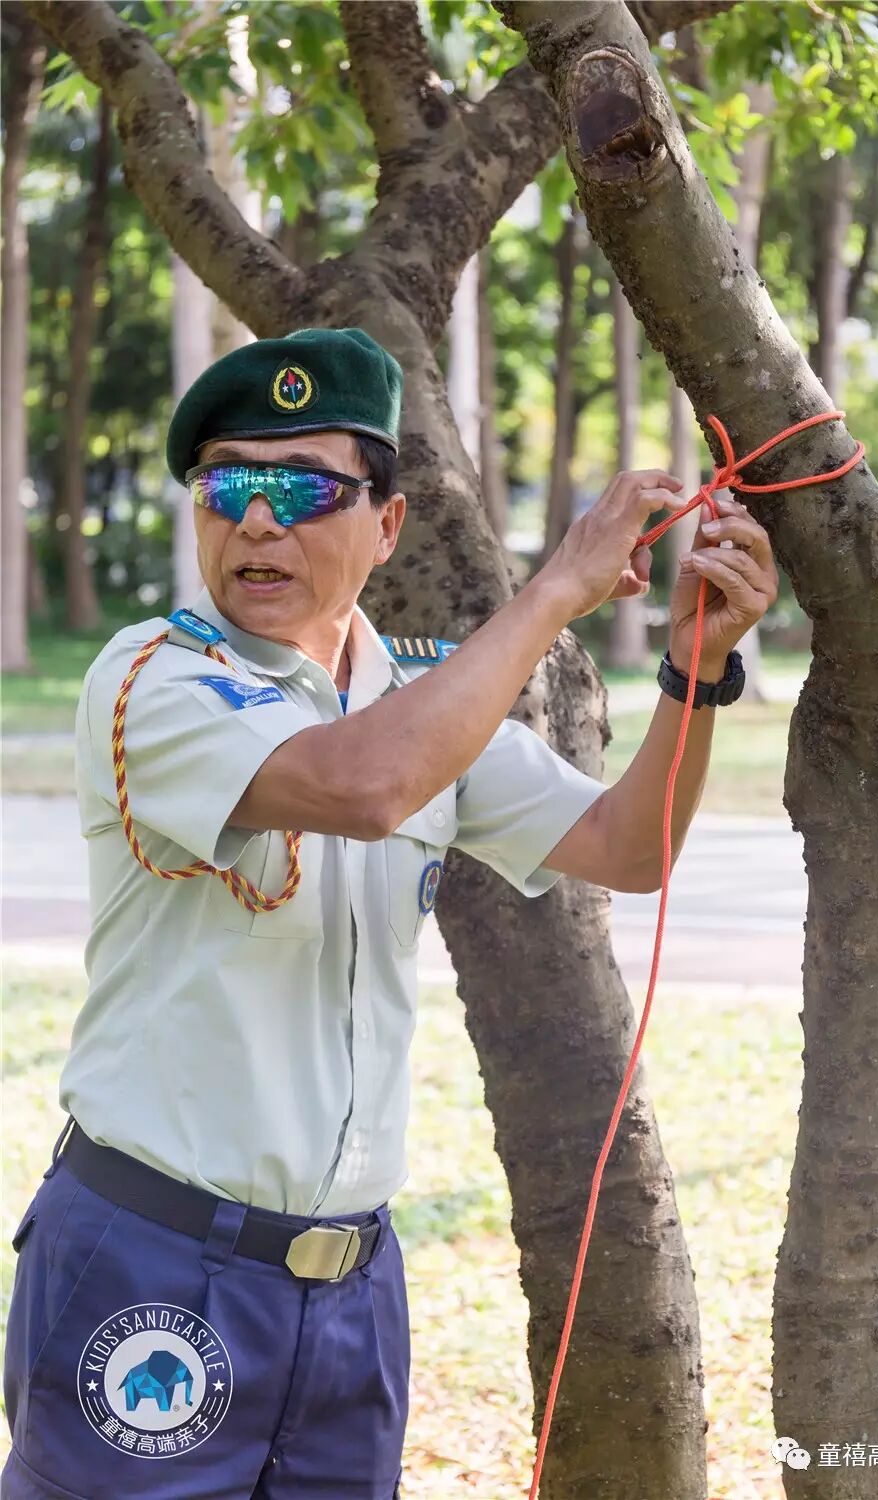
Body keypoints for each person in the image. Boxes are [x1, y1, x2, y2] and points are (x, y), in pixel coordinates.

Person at [2, 327, 777, 1499]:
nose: (258, 523)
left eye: (304, 491)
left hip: (351, 1291)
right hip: (152, 1267)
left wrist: (693, 673)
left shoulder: (421, 701)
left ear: (388, 524)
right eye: (228, 487)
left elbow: (631, 846)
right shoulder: (151, 676)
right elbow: (365, 787)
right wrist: (558, 588)